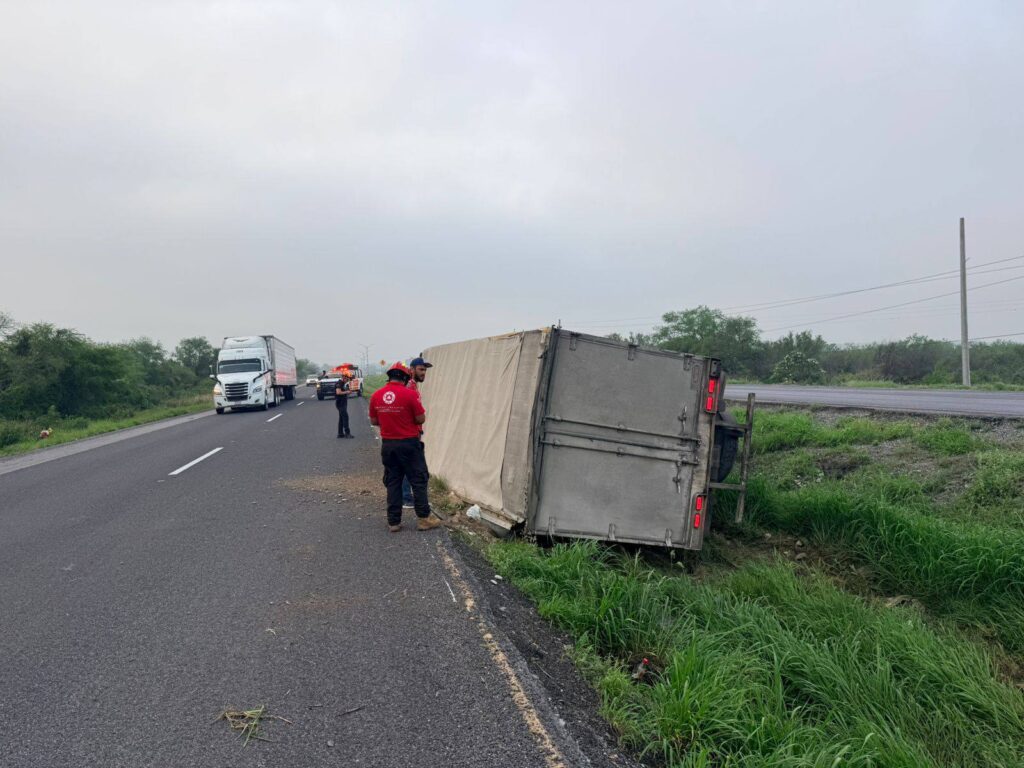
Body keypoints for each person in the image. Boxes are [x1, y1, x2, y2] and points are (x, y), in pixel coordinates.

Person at [369, 362, 440, 533]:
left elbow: (374, 421)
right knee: (418, 480)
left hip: (388, 445)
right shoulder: (409, 394)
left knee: (393, 481)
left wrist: (390, 418)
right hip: (409, 444)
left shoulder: (376, 395)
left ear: (390, 377)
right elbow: (420, 419)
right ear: (404, 377)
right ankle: (424, 519)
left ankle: (393, 522)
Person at [402, 356, 433, 509]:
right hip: (410, 433)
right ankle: (407, 498)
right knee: (412, 466)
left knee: (410, 466)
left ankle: (407, 497)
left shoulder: (413, 384)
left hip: (413, 431)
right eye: (421, 369)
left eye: (425, 370)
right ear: (412, 369)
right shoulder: (409, 386)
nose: (424, 373)